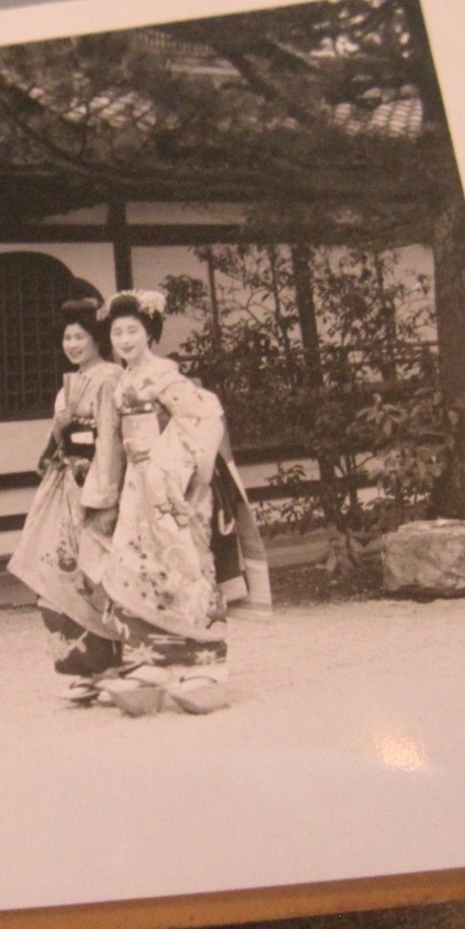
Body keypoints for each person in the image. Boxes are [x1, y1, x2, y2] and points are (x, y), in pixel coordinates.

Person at [77, 289, 271, 712]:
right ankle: (149, 663)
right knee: (136, 566)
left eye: (133, 331)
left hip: (173, 486)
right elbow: (109, 442)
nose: (125, 339)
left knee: (186, 566)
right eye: (117, 332)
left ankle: (206, 662)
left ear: (150, 334)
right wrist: (103, 492)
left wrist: (170, 468)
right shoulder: (119, 381)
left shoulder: (166, 376)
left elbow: (203, 417)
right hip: (135, 488)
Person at [7, 297, 125, 678]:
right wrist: (61, 425)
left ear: (96, 340)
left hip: (97, 483)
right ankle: (79, 662)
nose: (72, 345)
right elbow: (51, 451)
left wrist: (102, 492)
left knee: (95, 569)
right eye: (67, 339)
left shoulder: (111, 377)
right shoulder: (66, 388)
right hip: (65, 487)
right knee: (57, 565)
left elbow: (112, 439)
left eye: (79, 337)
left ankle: (109, 657)